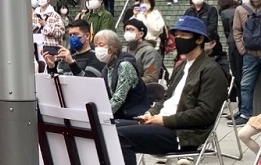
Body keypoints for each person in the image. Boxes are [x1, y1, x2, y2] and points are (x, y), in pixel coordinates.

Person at [115, 16, 229, 165]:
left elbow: (205, 113)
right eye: (177, 35)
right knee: (107, 129)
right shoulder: (182, 66)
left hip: (182, 133)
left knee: (118, 136)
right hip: (164, 122)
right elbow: (166, 97)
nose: (178, 39)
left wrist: (164, 120)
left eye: (184, 35)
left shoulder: (211, 70)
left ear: (199, 39)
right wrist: (151, 113)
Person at [94, 30, 150, 120]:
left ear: (112, 47)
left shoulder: (125, 65)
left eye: (101, 45)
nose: (97, 49)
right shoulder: (107, 68)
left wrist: (100, 116)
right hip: (120, 114)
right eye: (95, 46)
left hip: (133, 115)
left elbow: (119, 98)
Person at [124, 19, 163, 84]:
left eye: (131, 30)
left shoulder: (150, 53)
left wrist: (129, 83)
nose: (128, 32)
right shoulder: (124, 50)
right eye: (126, 30)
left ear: (141, 34)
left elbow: (151, 77)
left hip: (141, 91)